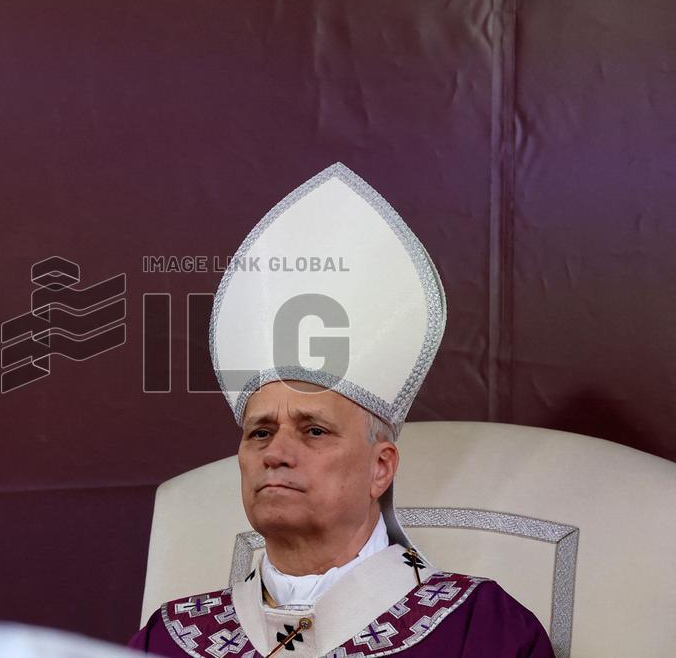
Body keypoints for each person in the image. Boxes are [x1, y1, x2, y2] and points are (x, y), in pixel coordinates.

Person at [129, 164, 554, 657]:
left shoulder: (480, 629)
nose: (276, 453)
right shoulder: (172, 638)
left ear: (381, 468)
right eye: (260, 433)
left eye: (313, 430)